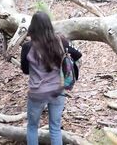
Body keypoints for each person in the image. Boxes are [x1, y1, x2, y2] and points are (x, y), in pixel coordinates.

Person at [20, 11, 82, 145]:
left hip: (37, 93)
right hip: (57, 91)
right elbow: (77, 54)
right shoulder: (61, 42)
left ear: (33, 27)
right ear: (49, 25)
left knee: (32, 127)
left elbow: (25, 70)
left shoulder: (27, 47)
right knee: (55, 128)